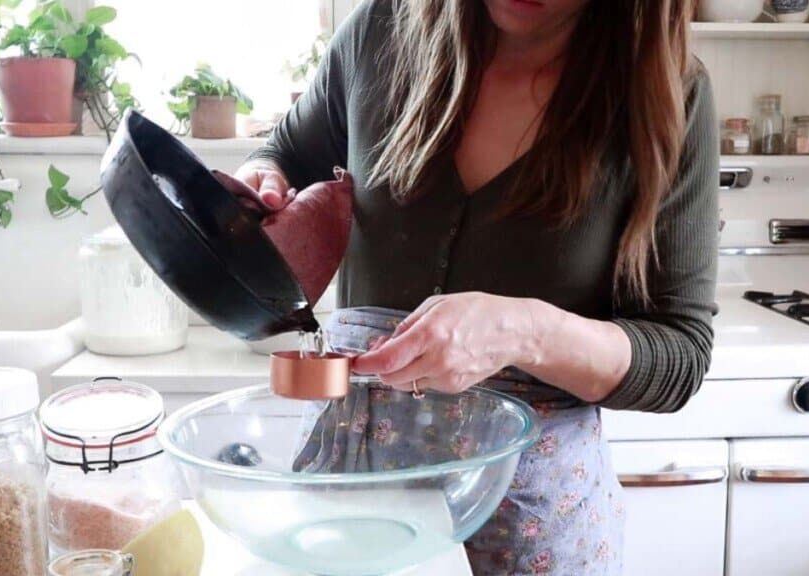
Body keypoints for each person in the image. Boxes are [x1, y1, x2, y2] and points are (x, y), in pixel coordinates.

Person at [232, 0, 718, 573]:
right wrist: (265, 180)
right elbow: (287, 154)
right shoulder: (380, 30)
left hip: (535, 529)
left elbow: (679, 354)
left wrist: (525, 332)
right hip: (353, 507)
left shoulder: (666, 89)